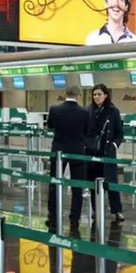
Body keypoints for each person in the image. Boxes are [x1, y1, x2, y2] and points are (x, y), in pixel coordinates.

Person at [46, 86, 89, 231]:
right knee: (77, 187)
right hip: (77, 151)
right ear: (78, 95)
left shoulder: (54, 109)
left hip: (58, 150)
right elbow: (87, 130)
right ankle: (74, 219)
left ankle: (53, 217)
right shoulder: (85, 112)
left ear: (66, 95)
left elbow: (50, 126)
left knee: (54, 184)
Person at [85, 84, 125, 223]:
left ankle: (117, 210)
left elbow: (120, 132)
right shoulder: (88, 110)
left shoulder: (113, 111)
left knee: (111, 183)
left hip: (107, 152)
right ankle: (96, 210)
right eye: (94, 94)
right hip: (92, 153)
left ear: (106, 95)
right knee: (93, 184)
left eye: (99, 94)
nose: (96, 97)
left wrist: (114, 145)